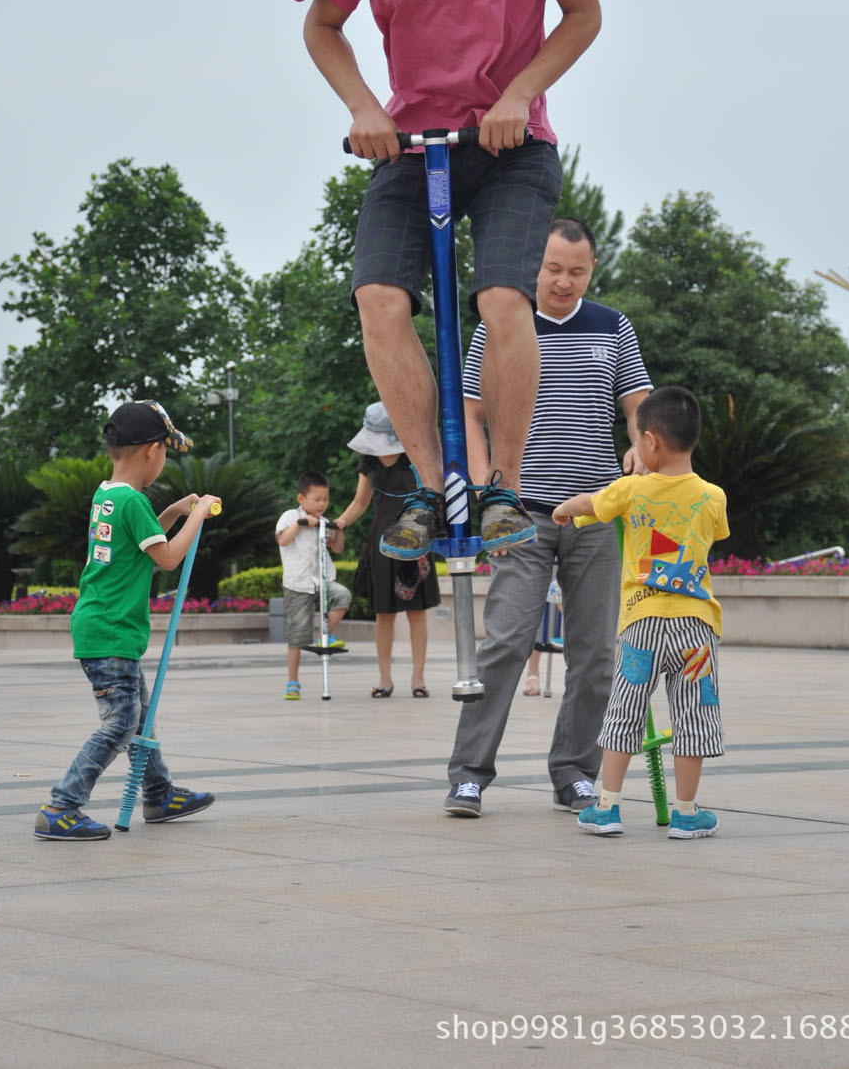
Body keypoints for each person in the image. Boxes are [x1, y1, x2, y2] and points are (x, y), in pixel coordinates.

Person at [294, 0, 602, 559]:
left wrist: (521, 91)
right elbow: (324, 26)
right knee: (379, 300)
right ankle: (433, 486)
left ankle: (501, 484)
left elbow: (582, 15)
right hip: (411, 142)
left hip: (511, 144)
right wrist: (365, 107)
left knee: (504, 300)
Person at [444, 218, 651, 818]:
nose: (564, 281)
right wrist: (489, 493)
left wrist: (641, 445)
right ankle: (468, 775)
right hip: (522, 515)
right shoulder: (501, 324)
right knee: (506, 643)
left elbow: (638, 404)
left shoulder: (612, 326)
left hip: (595, 514)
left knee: (595, 653)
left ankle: (575, 773)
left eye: (577, 272)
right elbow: (471, 413)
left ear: (592, 270)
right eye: (554, 268)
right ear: (535, 265)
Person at [33, 400, 220, 841]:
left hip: (104, 625)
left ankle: (158, 794)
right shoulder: (132, 501)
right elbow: (167, 558)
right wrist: (197, 515)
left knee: (140, 719)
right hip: (112, 630)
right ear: (153, 450)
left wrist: (175, 511)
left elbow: (142, 542)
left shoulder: (108, 495)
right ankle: (61, 805)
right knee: (122, 723)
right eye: (167, 451)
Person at [552, 386, 729, 840]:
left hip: (642, 627)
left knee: (624, 711)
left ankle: (607, 807)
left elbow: (591, 505)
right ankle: (686, 813)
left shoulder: (631, 490)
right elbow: (713, 535)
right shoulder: (713, 497)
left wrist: (564, 510)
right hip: (696, 631)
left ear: (649, 440)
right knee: (693, 716)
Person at [332, 402, 441, 698]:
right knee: (384, 613)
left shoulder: (413, 454)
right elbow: (360, 502)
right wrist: (340, 522)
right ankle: (385, 679)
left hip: (414, 538)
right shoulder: (369, 460)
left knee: (417, 611)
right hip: (381, 543)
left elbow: (432, 492)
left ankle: (418, 679)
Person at [275, 471, 350, 700]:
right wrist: (300, 524)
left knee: (343, 596)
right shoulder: (290, 516)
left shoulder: (323, 523)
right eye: (317, 499)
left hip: (321, 581)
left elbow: (337, 548)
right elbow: (282, 540)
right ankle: (292, 682)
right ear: (301, 498)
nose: (321, 504)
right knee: (297, 633)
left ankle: (324, 636)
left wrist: (338, 530)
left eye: (325, 500)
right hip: (297, 584)